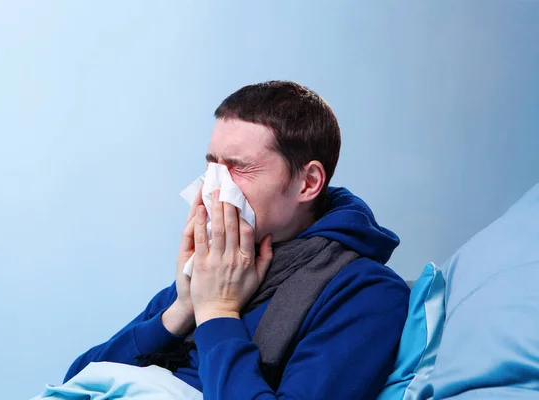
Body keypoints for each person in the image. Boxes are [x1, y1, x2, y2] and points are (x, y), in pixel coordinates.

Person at [63, 81, 410, 399]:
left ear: (308, 183)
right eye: (212, 165)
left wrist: (216, 313)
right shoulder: (214, 266)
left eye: (238, 168)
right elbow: (77, 383)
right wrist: (181, 310)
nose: (214, 187)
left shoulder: (366, 292)